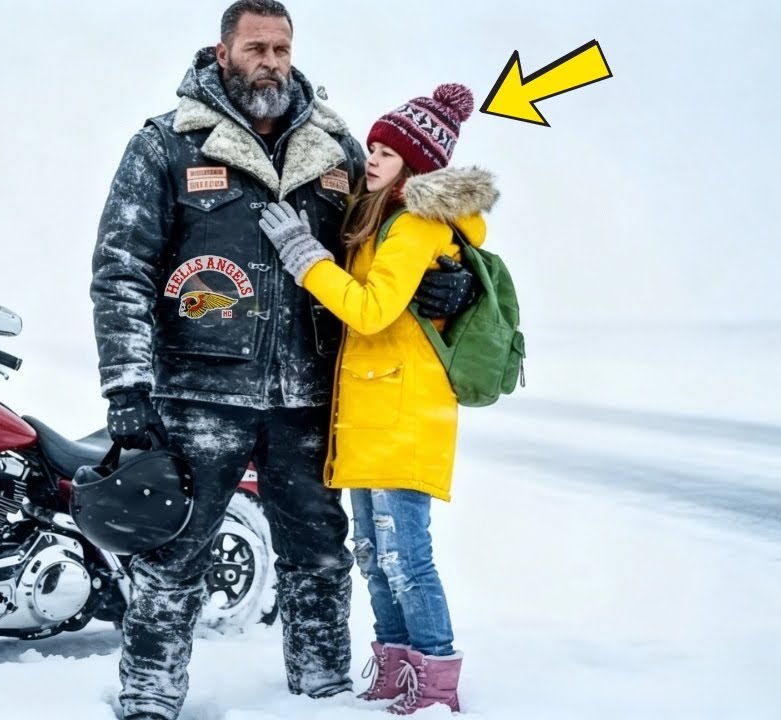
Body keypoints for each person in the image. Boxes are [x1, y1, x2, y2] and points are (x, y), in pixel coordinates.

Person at [90, 2, 475, 717]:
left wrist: (445, 283)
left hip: (309, 397)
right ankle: (149, 695)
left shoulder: (336, 150)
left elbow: (391, 231)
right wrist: (127, 384)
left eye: (281, 49)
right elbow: (121, 271)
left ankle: (321, 692)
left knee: (320, 557)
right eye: (256, 48)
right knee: (174, 555)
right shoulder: (166, 145)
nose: (270, 62)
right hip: (199, 395)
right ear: (223, 53)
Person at [257, 82, 499, 713]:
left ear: (414, 165)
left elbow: (369, 311)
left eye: (387, 152)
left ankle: (435, 680)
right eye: (372, 146)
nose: (372, 158)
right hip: (371, 414)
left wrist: (305, 258)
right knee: (374, 555)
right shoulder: (377, 219)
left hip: (404, 413)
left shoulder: (416, 224)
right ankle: (396, 668)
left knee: (406, 557)